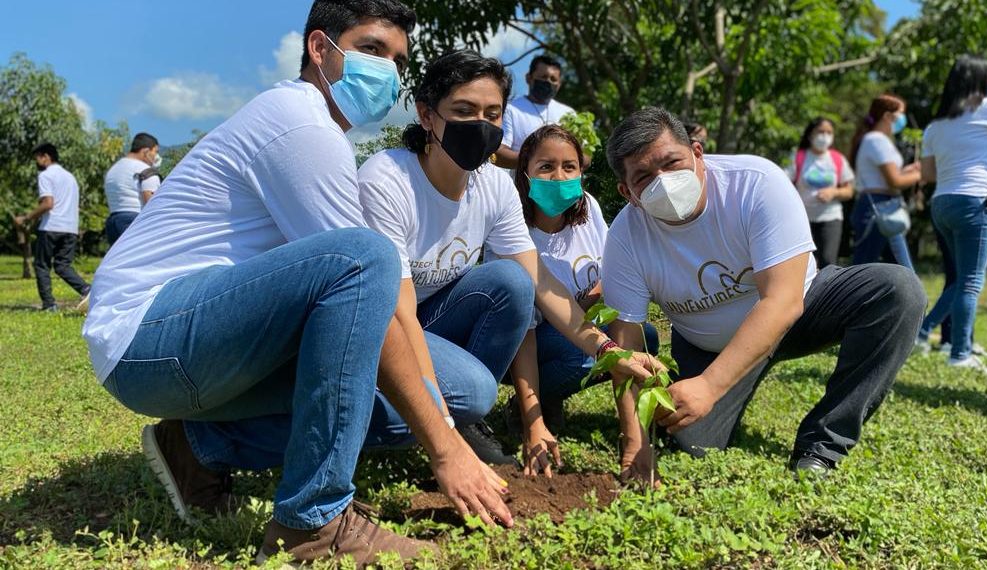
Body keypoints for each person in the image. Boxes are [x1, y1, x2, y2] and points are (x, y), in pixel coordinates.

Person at [83, 2, 516, 566]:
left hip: (212, 342)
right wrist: (445, 448)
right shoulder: (300, 124)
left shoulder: (325, 133)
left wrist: (447, 426)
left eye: (397, 59)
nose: (387, 69)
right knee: (366, 256)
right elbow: (367, 283)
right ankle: (315, 522)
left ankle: (199, 446)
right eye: (371, 49)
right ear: (319, 49)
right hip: (151, 340)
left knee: (465, 390)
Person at [358, 50, 660, 468]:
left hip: (438, 319)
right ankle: (438, 417)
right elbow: (399, 312)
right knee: (475, 392)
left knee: (510, 281)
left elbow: (540, 282)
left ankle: (460, 412)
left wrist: (610, 350)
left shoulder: (493, 187)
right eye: (464, 110)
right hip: (386, 321)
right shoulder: (389, 180)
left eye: (492, 113)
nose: (480, 124)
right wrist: (443, 434)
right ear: (427, 115)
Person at [600, 107, 926, 481]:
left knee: (898, 291)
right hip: (710, 347)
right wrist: (634, 442)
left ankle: (822, 445)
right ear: (628, 193)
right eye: (644, 177)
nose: (664, 181)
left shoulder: (756, 183)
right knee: (690, 436)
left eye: (672, 162)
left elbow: (782, 301)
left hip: (804, 309)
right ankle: (717, 404)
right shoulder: (625, 238)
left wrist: (708, 386)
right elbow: (625, 345)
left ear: (697, 152)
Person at [499, 124, 660, 476]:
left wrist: (587, 304)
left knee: (647, 336)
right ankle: (529, 406)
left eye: (569, 167)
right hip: (533, 346)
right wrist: (533, 423)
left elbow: (610, 273)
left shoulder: (587, 207)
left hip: (585, 327)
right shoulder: (512, 231)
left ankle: (633, 432)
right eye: (546, 167)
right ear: (525, 173)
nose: (559, 177)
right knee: (582, 356)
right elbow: (521, 335)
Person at [914, 56, 987, 373]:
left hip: (943, 204)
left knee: (961, 280)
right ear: (981, 82)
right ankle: (959, 353)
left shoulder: (936, 125)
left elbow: (929, 173)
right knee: (971, 283)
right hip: (974, 203)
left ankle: (925, 332)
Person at [15, 143, 90, 311]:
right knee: (63, 266)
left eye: (37, 158)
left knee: (42, 265)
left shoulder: (46, 175)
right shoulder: (70, 177)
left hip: (51, 227)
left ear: (46, 157)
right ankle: (86, 289)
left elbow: (48, 204)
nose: (37, 162)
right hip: (70, 228)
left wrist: (26, 218)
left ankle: (49, 305)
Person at [850, 94, 921, 269]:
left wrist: (908, 171)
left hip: (880, 208)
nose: (902, 119)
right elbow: (894, 181)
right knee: (865, 271)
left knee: (869, 269)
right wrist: (922, 174)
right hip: (879, 209)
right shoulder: (877, 140)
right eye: (900, 114)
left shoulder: (875, 140)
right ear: (887, 116)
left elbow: (886, 177)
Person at [784, 118, 855, 267]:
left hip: (831, 217)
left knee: (828, 262)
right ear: (810, 135)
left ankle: (830, 290)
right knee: (801, 263)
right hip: (802, 218)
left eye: (829, 132)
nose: (825, 136)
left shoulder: (837, 159)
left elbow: (849, 190)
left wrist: (834, 192)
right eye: (821, 132)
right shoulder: (798, 157)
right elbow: (784, 183)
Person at [493, 55, 578, 169]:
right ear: (529, 78)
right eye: (543, 77)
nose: (548, 82)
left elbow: (585, 154)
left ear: (558, 85)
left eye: (553, 79)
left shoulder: (568, 113)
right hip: (523, 185)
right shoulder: (511, 109)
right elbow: (498, 153)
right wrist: (536, 161)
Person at [103, 132, 162, 244]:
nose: (157, 157)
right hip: (134, 221)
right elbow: (151, 201)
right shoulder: (146, 170)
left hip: (113, 222)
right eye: (156, 152)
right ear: (146, 151)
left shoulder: (113, 169)